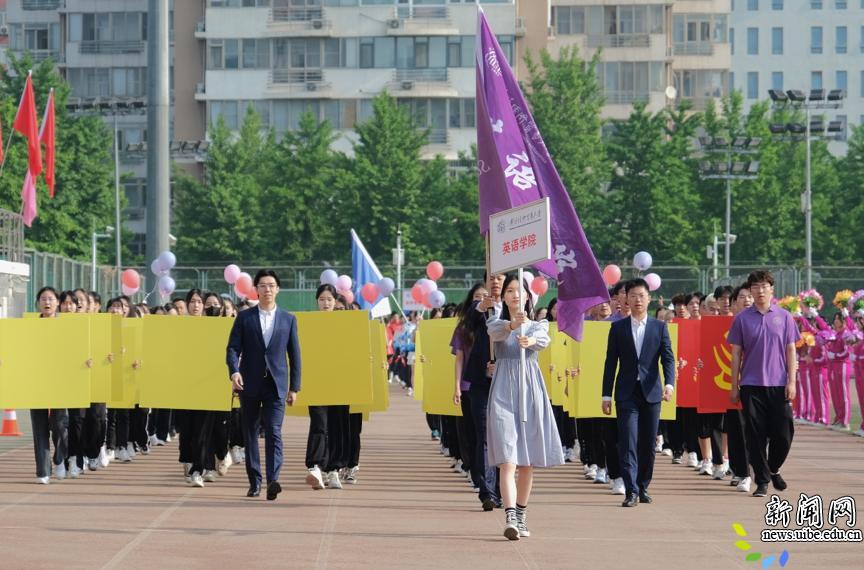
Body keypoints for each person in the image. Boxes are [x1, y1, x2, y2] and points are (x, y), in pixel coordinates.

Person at [486, 274, 562, 540]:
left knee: (527, 461)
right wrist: (511, 326)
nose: (515, 294)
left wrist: (528, 340)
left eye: (519, 290)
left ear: (529, 296)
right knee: (507, 458)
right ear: (504, 296)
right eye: (509, 290)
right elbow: (494, 332)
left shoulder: (539, 325)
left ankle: (520, 513)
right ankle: (509, 516)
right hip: (503, 391)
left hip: (530, 390)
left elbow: (543, 340)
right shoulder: (496, 322)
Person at [227, 269, 301, 500]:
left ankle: (273, 480)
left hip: (276, 385)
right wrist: (234, 372)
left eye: (271, 285)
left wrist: (294, 387)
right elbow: (232, 348)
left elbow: (295, 355)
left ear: (278, 289)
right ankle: (255, 481)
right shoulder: (245, 318)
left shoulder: (288, 319)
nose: (267, 289)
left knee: (274, 431)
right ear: (256, 290)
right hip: (249, 383)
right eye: (263, 285)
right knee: (250, 433)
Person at [602, 278, 675, 507]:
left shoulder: (659, 327)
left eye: (641, 295)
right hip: (626, 393)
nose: (637, 300)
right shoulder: (618, 328)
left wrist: (669, 384)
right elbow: (610, 363)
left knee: (648, 444)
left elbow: (668, 359)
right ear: (626, 299)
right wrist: (606, 395)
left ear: (649, 298)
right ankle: (631, 490)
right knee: (628, 441)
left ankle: (643, 486)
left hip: (652, 393)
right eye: (632, 295)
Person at [729, 270, 799, 498]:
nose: (760, 291)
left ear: (772, 290)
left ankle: (773, 468)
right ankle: (762, 480)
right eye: (755, 287)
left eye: (764, 286)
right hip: (751, 385)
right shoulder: (742, 319)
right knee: (755, 435)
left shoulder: (784, 317)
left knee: (784, 433)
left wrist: (791, 381)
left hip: (779, 385)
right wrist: (734, 386)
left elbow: (791, 350)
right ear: (751, 290)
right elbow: (736, 354)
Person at [29, 287, 70, 484]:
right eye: (43, 299)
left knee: (59, 424)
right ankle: (43, 470)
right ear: (38, 303)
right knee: (39, 427)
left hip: (60, 381)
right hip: (35, 381)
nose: (47, 302)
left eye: (51, 299)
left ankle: (60, 458)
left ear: (57, 303)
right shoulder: (28, 328)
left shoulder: (67, 327)